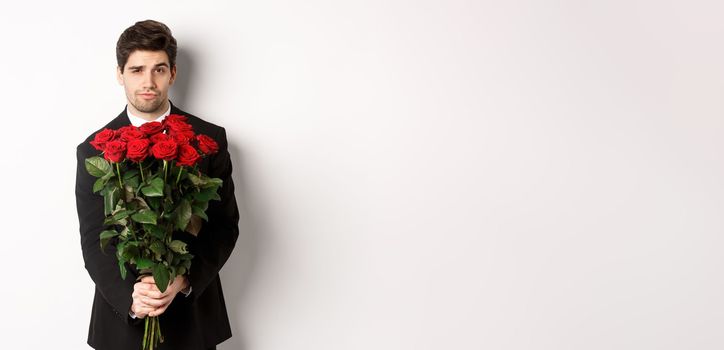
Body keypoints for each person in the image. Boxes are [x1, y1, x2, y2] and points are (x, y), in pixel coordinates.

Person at [74, 20, 239, 350]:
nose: (148, 82)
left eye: (159, 70)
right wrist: (133, 299)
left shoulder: (209, 139)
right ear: (120, 74)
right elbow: (94, 239)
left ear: (173, 73)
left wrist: (184, 280)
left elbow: (224, 227)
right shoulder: (93, 149)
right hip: (121, 324)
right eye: (137, 70)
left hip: (193, 321)